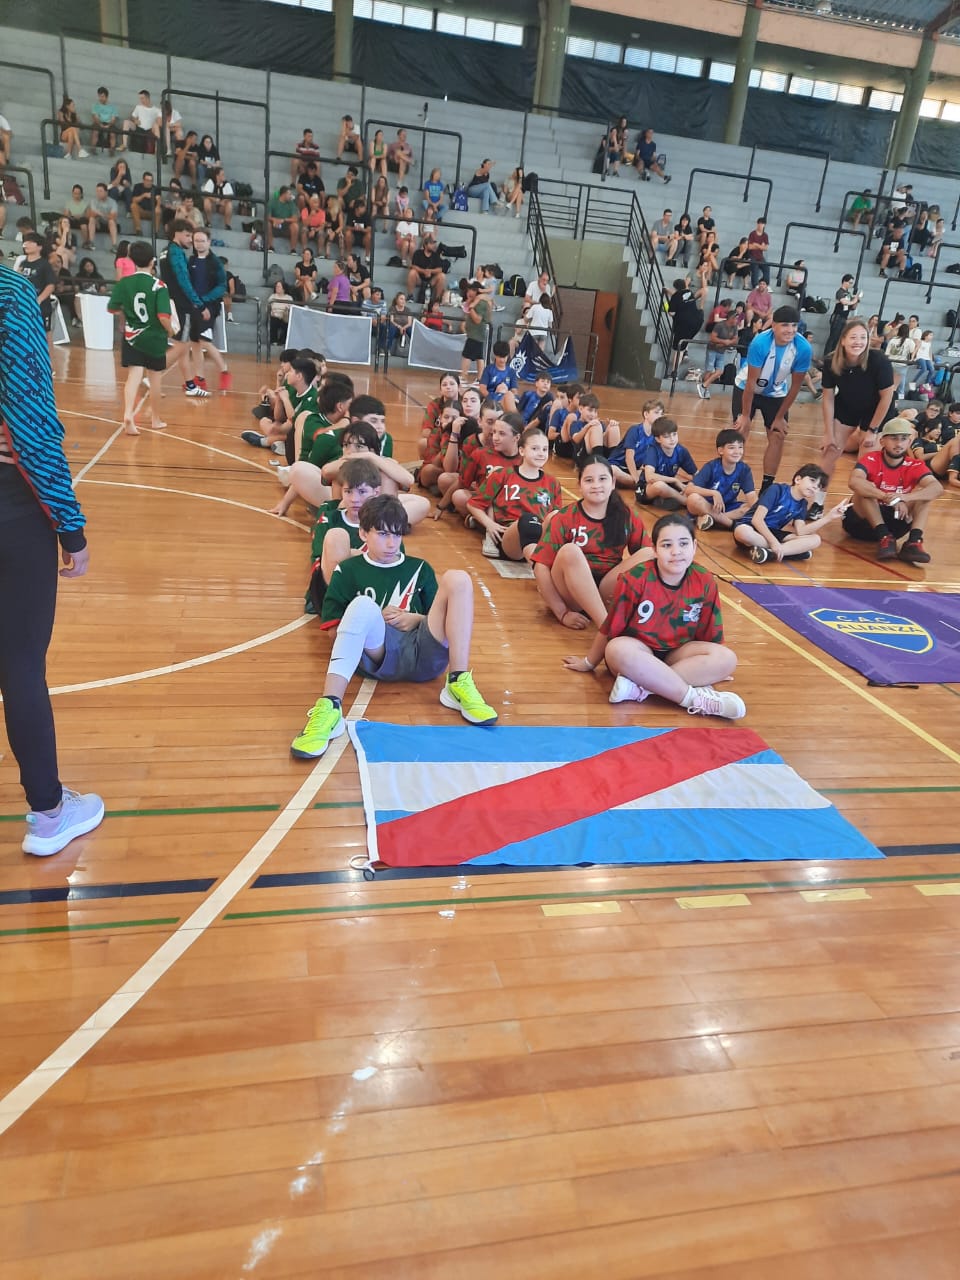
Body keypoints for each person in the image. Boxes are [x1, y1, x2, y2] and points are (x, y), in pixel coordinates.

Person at [0, 264, 105, 856]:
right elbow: (31, 423)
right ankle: (48, 813)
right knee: (20, 663)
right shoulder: (8, 292)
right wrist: (71, 528)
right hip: (10, 507)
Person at [289, 495, 497, 759]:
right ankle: (330, 706)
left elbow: (443, 619)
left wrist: (415, 618)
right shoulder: (348, 570)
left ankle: (457, 682)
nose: (391, 543)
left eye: (397, 535)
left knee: (458, 579)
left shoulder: (419, 568)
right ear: (363, 533)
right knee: (363, 605)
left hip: (424, 654)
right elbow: (333, 631)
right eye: (383, 534)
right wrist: (371, 622)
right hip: (379, 655)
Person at [563, 514, 745, 719]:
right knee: (616, 648)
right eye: (667, 545)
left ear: (694, 547)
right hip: (638, 652)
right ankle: (695, 699)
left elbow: (710, 632)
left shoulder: (704, 580)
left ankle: (642, 688)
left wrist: (715, 668)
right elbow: (610, 628)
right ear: (654, 550)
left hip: (676, 653)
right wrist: (589, 663)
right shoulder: (635, 578)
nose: (676, 552)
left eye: (683, 544)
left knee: (727, 658)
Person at [530, 454, 653, 630]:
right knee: (570, 551)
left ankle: (631, 614)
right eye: (589, 480)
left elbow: (646, 562)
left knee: (650, 553)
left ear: (612, 483)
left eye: (602, 479)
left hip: (604, 591)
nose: (596, 485)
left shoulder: (625, 515)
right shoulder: (565, 517)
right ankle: (606, 627)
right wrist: (561, 612)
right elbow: (540, 567)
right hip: (571, 593)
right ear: (579, 485)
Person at [733, 305, 812, 492]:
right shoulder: (760, 343)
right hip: (747, 388)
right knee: (740, 432)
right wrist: (745, 415)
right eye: (785, 325)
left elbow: (795, 387)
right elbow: (751, 383)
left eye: (794, 325)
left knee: (777, 435)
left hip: (776, 394)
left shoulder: (803, 348)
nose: (790, 330)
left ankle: (767, 486)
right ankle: (733, 481)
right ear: (774, 325)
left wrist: (779, 417)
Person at [843, 418, 942, 564]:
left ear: (909, 442)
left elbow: (937, 488)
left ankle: (913, 542)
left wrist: (905, 498)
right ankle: (883, 536)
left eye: (903, 439)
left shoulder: (915, 464)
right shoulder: (870, 458)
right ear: (882, 441)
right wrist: (889, 498)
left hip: (896, 522)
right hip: (860, 523)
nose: (899, 444)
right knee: (865, 489)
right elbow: (854, 481)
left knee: (924, 495)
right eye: (894, 438)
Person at [108, 239, 174, 435]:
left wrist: (127, 311)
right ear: (153, 261)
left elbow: (111, 308)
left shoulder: (124, 283)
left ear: (132, 260)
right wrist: (171, 330)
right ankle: (155, 419)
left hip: (132, 336)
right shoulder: (159, 285)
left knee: (133, 377)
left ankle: (128, 413)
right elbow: (163, 316)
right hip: (154, 338)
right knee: (155, 378)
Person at [467, 425, 563, 561]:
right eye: (535, 449)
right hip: (510, 536)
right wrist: (489, 524)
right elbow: (474, 504)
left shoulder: (553, 482)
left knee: (556, 517)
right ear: (522, 451)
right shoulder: (503, 474)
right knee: (528, 520)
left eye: (545, 449)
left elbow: (556, 519)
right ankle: (540, 565)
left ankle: (545, 561)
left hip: (539, 535)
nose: (541, 453)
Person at [820, 318, 896, 481]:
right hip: (848, 404)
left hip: (877, 409)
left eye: (863, 337)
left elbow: (887, 397)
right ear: (843, 340)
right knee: (829, 451)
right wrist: (828, 433)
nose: (858, 342)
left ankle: (858, 505)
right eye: (853, 337)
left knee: (865, 462)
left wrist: (872, 430)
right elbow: (828, 398)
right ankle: (817, 503)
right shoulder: (830, 362)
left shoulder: (879, 360)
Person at [734, 463, 848, 564]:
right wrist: (774, 543)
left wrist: (829, 517)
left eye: (819, 487)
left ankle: (769, 553)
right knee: (742, 532)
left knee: (815, 539)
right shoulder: (777, 490)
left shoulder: (802, 504)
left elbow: (801, 531)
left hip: (773, 532)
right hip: (752, 527)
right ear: (798, 479)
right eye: (812, 481)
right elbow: (757, 520)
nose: (815, 487)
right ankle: (791, 552)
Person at [685, 428, 758, 531]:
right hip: (707, 506)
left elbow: (752, 497)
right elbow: (688, 489)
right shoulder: (712, 467)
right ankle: (730, 524)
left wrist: (761, 511)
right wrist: (714, 493)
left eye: (740, 447)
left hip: (727, 508)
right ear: (721, 450)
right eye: (732, 448)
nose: (737, 452)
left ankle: (713, 520)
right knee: (693, 499)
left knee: (750, 508)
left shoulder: (744, 470)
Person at [187, 228, 231, 392]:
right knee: (195, 342)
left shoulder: (215, 263)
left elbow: (221, 286)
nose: (198, 244)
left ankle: (224, 370)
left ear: (209, 242)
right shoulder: (191, 260)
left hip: (209, 307)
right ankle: (200, 378)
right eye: (196, 240)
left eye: (202, 240)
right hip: (194, 307)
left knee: (205, 340)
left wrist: (205, 301)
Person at [638, 417, 697, 508]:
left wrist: (691, 486)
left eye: (674, 434)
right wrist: (675, 480)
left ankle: (669, 499)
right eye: (666, 436)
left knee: (696, 486)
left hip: (669, 486)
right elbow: (649, 477)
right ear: (658, 439)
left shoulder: (681, 451)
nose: (672, 439)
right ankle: (685, 502)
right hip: (646, 489)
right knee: (659, 486)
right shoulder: (653, 450)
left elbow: (696, 474)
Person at [15, 233, 56, 328]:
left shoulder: (44, 264)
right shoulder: (22, 263)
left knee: (45, 335)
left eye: (30, 242)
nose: (26, 244)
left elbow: (51, 285)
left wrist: (39, 299)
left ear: (39, 247)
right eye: (25, 242)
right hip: (23, 305)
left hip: (40, 307)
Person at [697, 310, 739, 400]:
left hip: (721, 351)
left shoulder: (734, 327)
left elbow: (735, 339)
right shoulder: (720, 325)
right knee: (709, 370)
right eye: (736, 318)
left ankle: (704, 386)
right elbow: (712, 337)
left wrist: (727, 343)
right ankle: (705, 388)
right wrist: (724, 341)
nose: (737, 320)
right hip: (712, 349)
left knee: (720, 371)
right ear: (731, 318)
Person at [460, 280, 491, 381]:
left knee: (467, 355)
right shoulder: (475, 300)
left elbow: (478, 319)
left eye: (472, 290)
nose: (469, 292)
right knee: (479, 356)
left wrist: (471, 308)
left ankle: (464, 377)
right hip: (474, 333)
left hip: (476, 333)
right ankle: (480, 378)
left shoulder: (481, 303)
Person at [825, 274, 863, 356]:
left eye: (852, 283)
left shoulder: (848, 294)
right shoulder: (840, 292)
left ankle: (832, 356)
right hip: (837, 316)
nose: (851, 285)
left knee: (837, 339)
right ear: (844, 281)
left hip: (844, 317)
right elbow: (844, 302)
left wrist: (857, 301)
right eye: (850, 282)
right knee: (833, 338)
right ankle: (827, 356)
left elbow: (852, 307)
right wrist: (854, 300)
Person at [885, 323, 917, 400]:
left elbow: (887, 353)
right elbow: (912, 353)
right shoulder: (910, 341)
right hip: (902, 365)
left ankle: (888, 398)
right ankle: (900, 399)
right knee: (901, 384)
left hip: (891, 363)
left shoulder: (893, 340)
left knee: (890, 382)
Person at [84, 182, 119, 250]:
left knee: (111, 221)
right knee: (92, 219)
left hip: (108, 224)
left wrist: (100, 214)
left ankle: (114, 245)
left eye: (100, 191)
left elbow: (113, 217)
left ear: (106, 192)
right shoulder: (93, 201)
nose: (98, 193)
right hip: (98, 223)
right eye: (97, 191)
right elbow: (92, 213)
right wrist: (102, 215)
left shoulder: (112, 202)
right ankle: (91, 242)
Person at [268, 186, 299, 254]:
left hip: (286, 226)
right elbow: (267, 216)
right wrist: (275, 220)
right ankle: (270, 247)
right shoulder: (272, 202)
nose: (291, 196)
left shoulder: (291, 203)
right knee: (267, 224)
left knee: (295, 226)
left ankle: (293, 250)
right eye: (289, 194)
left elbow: (295, 219)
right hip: (274, 225)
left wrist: (283, 220)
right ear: (284, 194)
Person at [201, 165, 234, 231]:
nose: (224, 176)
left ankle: (227, 225)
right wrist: (215, 200)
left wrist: (223, 201)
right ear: (217, 176)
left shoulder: (226, 184)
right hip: (213, 205)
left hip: (222, 206)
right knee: (206, 201)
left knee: (229, 204)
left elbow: (230, 195)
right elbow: (206, 193)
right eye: (222, 174)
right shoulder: (211, 181)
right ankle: (208, 222)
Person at [90, 86, 120, 153]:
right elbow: (95, 117)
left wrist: (109, 125)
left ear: (106, 96)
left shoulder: (112, 107)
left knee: (113, 133)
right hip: (99, 122)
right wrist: (100, 124)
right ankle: (93, 147)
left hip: (109, 123)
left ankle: (112, 149)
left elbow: (113, 119)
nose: (100, 98)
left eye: (102, 96)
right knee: (95, 131)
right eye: (99, 96)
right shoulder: (95, 106)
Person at [747, 217, 770, 287]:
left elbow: (766, 248)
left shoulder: (765, 235)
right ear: (757, 224)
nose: (760, 225)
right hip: (752, 255)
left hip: (760, 257)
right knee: (755, 267)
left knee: (767, 268)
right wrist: (761, 246)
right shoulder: (752, 234)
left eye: (762, 224)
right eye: (759, 224)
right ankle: (755, 286)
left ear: (764, 225)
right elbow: (750, 247)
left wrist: (756, 244)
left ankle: (765, 285)